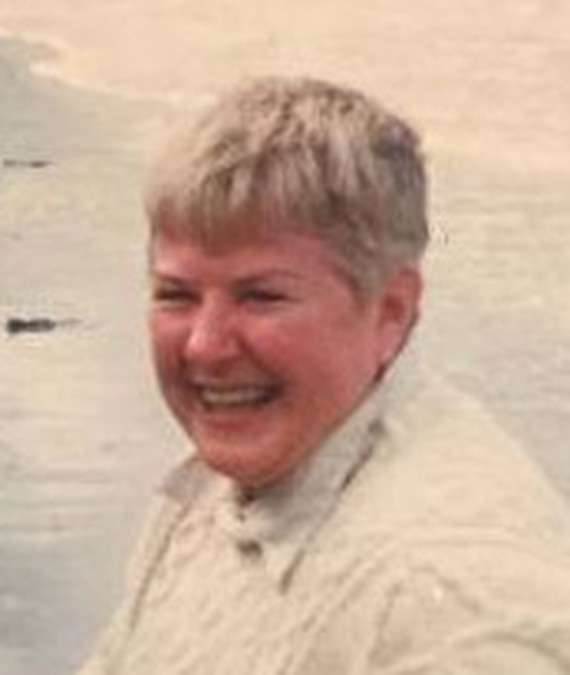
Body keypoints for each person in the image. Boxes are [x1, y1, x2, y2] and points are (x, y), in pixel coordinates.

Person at [76, 76, 570, 674]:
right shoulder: (217, 482)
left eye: (261, 297)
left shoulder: (447, 606)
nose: (205, 345)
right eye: (175, 295)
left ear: (391, 312)